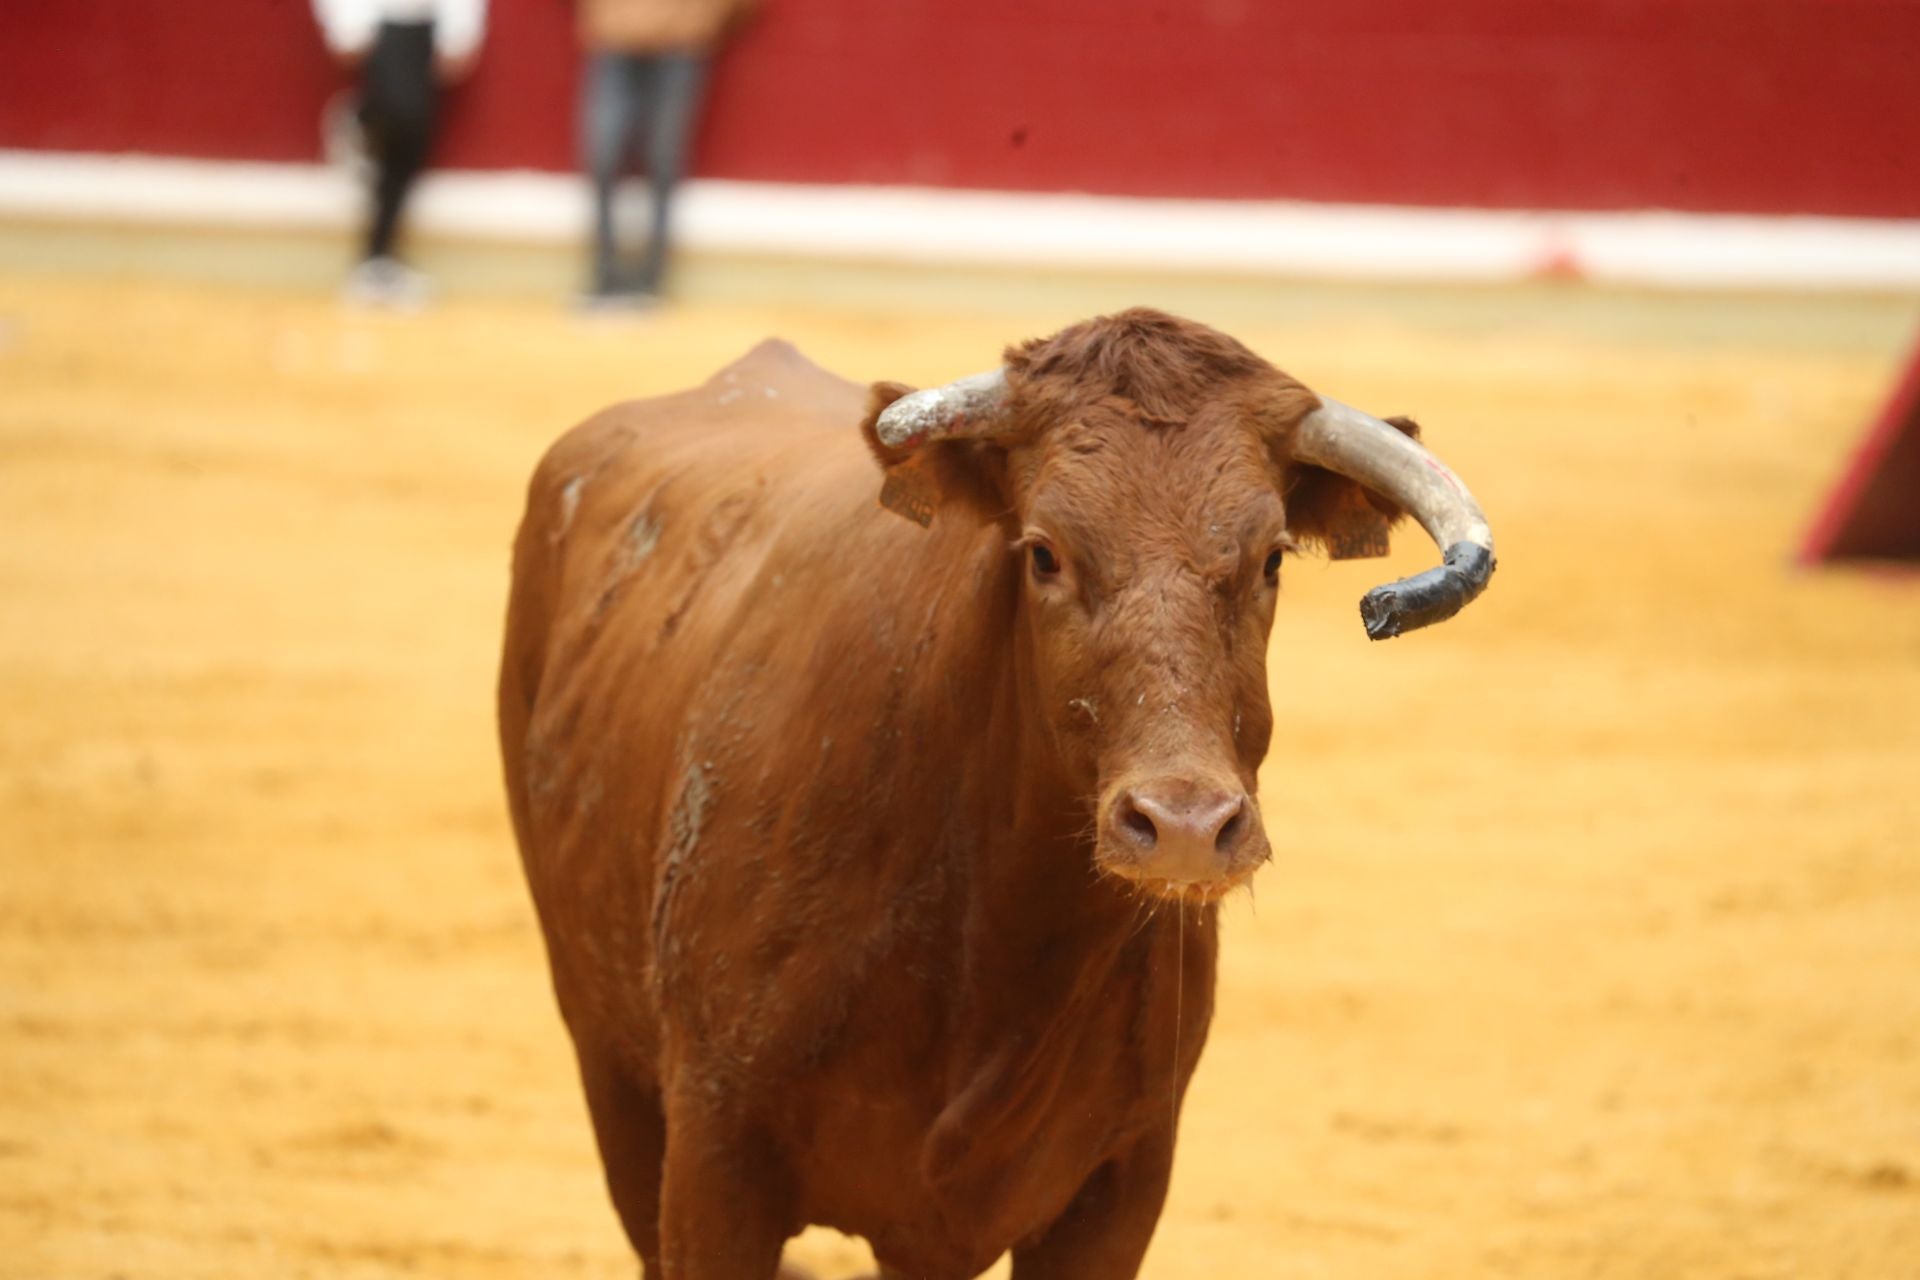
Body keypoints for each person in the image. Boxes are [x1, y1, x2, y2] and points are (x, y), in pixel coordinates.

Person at [577, 0, 758, 305]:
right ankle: (606, 276)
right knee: (604, 159)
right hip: (614, 38)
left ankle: (651, 280)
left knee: (663, 160)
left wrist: (701, 19)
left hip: (680, 43)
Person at [312, 0, 488, 307]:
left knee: (411, 145)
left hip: (424, 24)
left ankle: (378, 259)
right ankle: (362, 120)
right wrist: (346, 23)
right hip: (380, 20)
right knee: (403, 118)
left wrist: (459, 28)